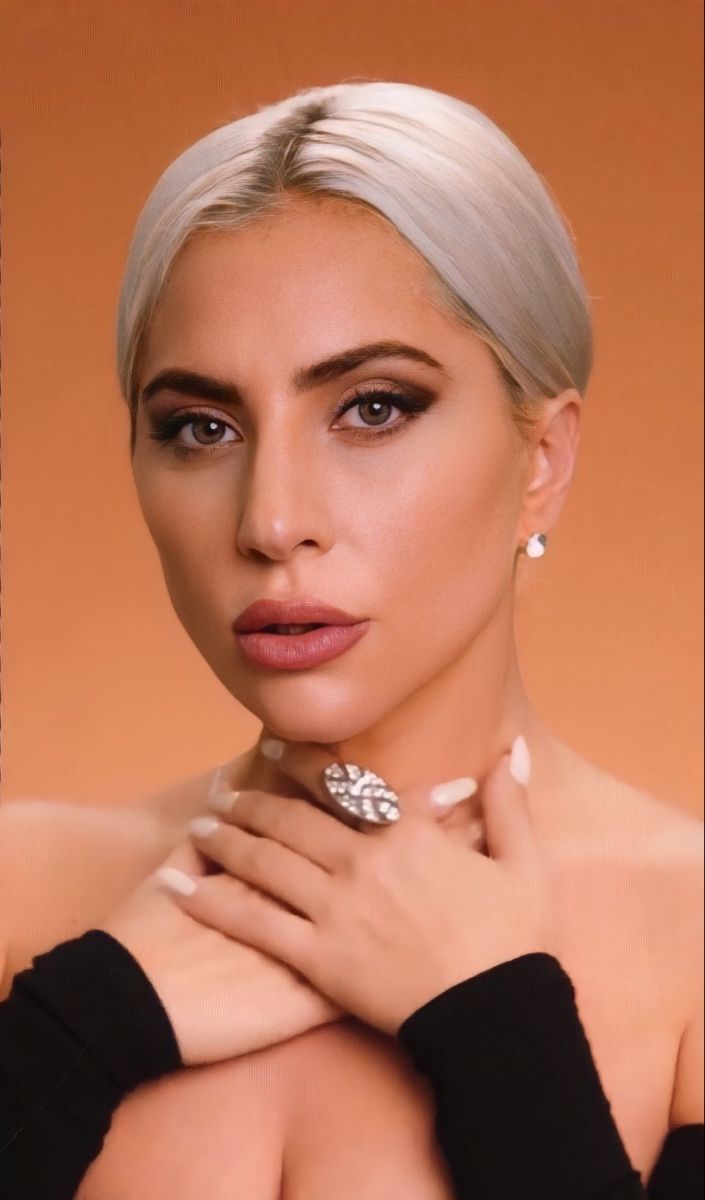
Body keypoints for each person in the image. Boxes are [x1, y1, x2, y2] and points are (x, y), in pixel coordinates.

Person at [1, 78, 702, 1199]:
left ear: (542, 461)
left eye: (373, 407)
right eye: (200, 427)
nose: (271, 519)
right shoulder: (19, 896)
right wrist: (84, 1026)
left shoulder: (695, 951)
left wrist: (497, 1029)